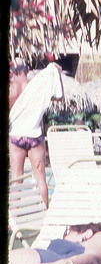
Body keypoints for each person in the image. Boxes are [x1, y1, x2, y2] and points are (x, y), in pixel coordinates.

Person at [9, 59, 65, 208]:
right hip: (35, 136)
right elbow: (59, 97)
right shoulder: (38, 86)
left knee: (16, 178)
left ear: (12, 71)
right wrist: (57, 74)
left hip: (16, 137)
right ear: (27, 69)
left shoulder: (9, 89)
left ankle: (13, 219)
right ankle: (45, 214)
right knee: (40, 178)